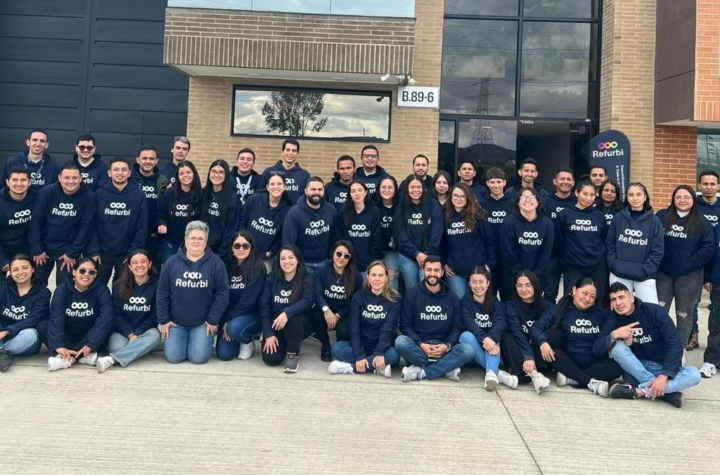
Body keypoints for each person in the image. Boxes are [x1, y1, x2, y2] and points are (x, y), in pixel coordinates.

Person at [599, 282, 702, 408]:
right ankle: (664, 393)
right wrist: (614, 334)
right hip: (636, 370)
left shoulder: (654, 311)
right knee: (617, 348)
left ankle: (640, 391)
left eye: (621, 297)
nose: (618, 303)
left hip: (662, 368)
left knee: (694, 374)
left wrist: (663, 376)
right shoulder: (612, 318)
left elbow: (675, 344)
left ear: (631, 298)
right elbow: (596, 348)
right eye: (613, 299)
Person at [530, 278, 622, 397]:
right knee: (551, 351)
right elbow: (536, 328)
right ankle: (589, 382)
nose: (587, 299)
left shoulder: (601, 314)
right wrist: (543, 342)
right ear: (574, 290)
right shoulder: (559, 309)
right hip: (567, 360)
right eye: (584, 293)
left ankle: (571, 377)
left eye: (592, 297)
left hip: (593, 362)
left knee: (616, 368)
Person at [157, 221, 229, 364]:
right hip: (176, 323)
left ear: (206, 241)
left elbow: (222, 293)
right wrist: (164, 320)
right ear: (185, 240)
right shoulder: (171, 262)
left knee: (199, 358)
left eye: (200, 238)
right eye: (193, 238)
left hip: (203, 323)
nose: (196, 241)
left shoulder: (216, 263)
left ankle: (197, 342)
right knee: (173, 357)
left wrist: (213, 320)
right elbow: (162, 293)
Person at [395, 256, 475, 382]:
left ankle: (423, 372)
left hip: (444, 349)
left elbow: (457, 327)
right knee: (400, 341)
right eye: (429, 270)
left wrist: (447, 346)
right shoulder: (412, 294)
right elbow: (405, 325)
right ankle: (446, 369)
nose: (432, 274)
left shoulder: (452, 297)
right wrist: (421, 344)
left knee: (468, 350)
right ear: (423, 271)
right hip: (419, 348)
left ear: (442, 272)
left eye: (436, 270)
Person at [655, 185, 714, 346]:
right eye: (678, 197)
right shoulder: (662, 216)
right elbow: (652, 239)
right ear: (673, 199)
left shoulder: (702, 222)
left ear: (693, 199)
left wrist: (690, 262)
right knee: (659, 312)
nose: (682, 200)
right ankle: (658, 347)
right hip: (663, 274)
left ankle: (679, 350)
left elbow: (708, 248)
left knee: (684, 314)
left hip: (690, 275)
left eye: (686, 197)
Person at [329, 260, 401, 377]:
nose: (377, 279)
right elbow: (354, 326)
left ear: (386, 277)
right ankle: (378, 367)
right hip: (362, 344)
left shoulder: (395, 299)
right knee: (336, 348)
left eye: (381, 275)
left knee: (394, 355)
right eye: (373, 275)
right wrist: (359, 355)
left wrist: (379, 352)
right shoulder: (359, 297)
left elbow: (388, 328)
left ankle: (350, 368)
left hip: (383, 346)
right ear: (367, 277)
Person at [40, 258, 114, 371]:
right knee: (43, 326)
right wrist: (58, 345)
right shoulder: (62, 289)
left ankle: (67, 359)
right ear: (74, 272)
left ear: (95, 275)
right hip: (68, 335)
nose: (86, 274)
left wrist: (91, 344)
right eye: (82, 270)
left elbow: (106, 317)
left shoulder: (102, 290)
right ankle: (83, 356)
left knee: (108, 325)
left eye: (91, 272)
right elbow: (56, 318)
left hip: (90, 335)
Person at [30, 163, 96, 286]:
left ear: (81, 179)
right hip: (44, 248)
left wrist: (73, 253)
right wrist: (37, 249)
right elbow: (36, 222)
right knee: (36, 286)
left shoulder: (89, 196)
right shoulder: (46, 192)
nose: (70, 181)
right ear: (59, 178)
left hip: (69, 249)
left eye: (75, 178)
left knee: (65, 288)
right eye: (66, 177)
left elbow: (86, 227)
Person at [96, 249, 162, 373]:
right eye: (135, 262)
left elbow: (155, 315)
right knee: (117, 348)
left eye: (143, 261)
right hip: (122, 331)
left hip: (146, 331)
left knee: (155, 336)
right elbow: (115, 314)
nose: (139, 265)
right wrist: (130, 334)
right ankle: (142, 348)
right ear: (130, 266)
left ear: (149, 264)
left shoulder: (157, 285)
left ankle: (111, 360)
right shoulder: (119, 285)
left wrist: (138, 333)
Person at [89, 157, 148, 285]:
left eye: (123, 170)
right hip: (102, 254)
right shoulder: (99, 194)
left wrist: (133, 253)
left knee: (122, 290)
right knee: (96, 288)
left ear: (129, 173)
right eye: (116, 170)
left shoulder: (138, 195)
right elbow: (91, 225)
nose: (120, 173)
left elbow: (141, 227)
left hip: (126, 254)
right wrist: (94, 250)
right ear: (109, 173)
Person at [458, 267, 517, 390]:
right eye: (474, 282)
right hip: (475, 348)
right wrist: (485, 339)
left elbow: (500, 323)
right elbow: (470, 324)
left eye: (481, 281)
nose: (478, 286)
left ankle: (491, 374)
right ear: (469, 284)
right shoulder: (464, 303)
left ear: (488, 283)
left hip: (492, 350)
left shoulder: (496, 303)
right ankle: (496, 373)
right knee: (465, 336)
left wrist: (492, 338)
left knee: (496, 339)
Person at [605, 182, 664, 304]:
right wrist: (613, 264)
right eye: (631, 195)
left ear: (645, 197)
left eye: (638, 194)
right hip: (619, 272)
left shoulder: (655, 221)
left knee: (649, 309)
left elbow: (658, 250)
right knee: (620, 308)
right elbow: (610, 244)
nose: (635, 198)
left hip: (644, 275)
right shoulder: (618, 218)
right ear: (626, 197)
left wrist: (646, 270)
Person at [260, 245, 314, 372]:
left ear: (298, 260)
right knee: (271, 359)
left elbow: (307, 301)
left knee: (294, 321)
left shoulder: (306, 278)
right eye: (283, 258)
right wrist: (268, 334)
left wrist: (287, 312)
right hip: (276, 322)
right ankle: (286, 342)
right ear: (278, 261)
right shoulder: (271, 278)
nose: (286, 261)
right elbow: (264, 307)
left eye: (291, 257)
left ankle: (292, 355)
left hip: (298, 322)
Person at [216, 231, 266, 361]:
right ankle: (237, 336)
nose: (241, 249)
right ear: (232, 248)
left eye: (245, 245)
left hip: (252, 315)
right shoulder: (226, 266)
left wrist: (228, 321)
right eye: (237, 245)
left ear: (251, 247)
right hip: (232, 316)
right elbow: (222, 295)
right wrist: (223, 320)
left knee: (233, 328)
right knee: (224, 354)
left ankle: (247, 341)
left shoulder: (257, 267)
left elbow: (248, 300)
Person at [501, 271, 553, 394]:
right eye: (519, 285)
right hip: (518, 349)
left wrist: (541, 341)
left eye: (528, 285)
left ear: (535, 286)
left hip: (537, 351)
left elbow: (543, 329)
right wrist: (528, 356)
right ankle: (533, 374)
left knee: (555, 334)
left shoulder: (547, 306)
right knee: (506, 337)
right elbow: (517, 332)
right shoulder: (511, 306)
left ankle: (525, 370)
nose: (523, 289)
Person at [556, 179, 608, 302]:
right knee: (571, 300)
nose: (588, 198)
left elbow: (604, 239)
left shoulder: (600, 216)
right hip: (573, 266)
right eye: (585, 194)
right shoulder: (564, 214)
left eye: (592, 195)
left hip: (597, 266)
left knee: (596, 300)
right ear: (576, 193)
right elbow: (559, 241)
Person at [442, 183, 495, 299]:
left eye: (462, 196)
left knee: (477, 303)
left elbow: (490, 241)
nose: (458, 199)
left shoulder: (478, 215)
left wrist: (490, 264)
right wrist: (444, 263)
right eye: (455, 195)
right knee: (459, 302)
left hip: (477, 270)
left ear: (468, 197)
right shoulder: (445, 216)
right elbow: (441, 243)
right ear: (450, 197)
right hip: (455, 271)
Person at [501, 188, 554, 300]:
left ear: (538, 202)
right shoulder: (509, 221)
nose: (527, 200)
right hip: (512, 274)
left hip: (538, 275)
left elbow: (546, 251)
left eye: (531, 197)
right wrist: (520, 275)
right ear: (518, 202)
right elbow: (508, 250)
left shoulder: (547, 223)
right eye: (524, 197)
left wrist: (534, 276)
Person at [312, 241, 362, 362]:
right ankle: (325, 343)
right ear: (333, 253)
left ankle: (340, 345)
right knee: (315, 314)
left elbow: (356, 302)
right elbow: (317, 294)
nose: (341, 258)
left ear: (350, 258)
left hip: (345, 311)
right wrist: (326, 310)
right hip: (325, 308)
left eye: (346, 256)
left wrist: (338, 315)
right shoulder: (321, 272)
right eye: (339, 254)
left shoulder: (356, 276)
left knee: (344, 331)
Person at [0, 255, 51, 371]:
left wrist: (7, 331)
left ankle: (2, 349)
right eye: (15, 269)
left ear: (32, 269)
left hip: (22, 337)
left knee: (31, 334)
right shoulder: (2, 287)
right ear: (10, 272)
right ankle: (2, 352)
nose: (20, 272)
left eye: (25, 268)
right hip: (1, 332)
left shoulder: (43, 293)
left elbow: (34, 319)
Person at [393, 174, 444, 290]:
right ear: (407, 189)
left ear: (423, 188)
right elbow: (401, 235)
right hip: (408, 256)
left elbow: (437, 232)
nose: (416, 190)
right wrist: (416, 253)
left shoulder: (433, 205)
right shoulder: (400, 208)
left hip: (430, 255)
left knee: (428, 289)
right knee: (412, 290)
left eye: (419, 187)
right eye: (412, 187)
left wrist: (426, 254)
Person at [282, 176, 339, 274]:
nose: (316, 192)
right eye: (313, 189)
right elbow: (288, 243)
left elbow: (335, 237)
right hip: (303, 264)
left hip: (325, 262)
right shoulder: (294, 213)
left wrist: (331, 257)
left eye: (320, 189)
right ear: (305, 191)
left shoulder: (331, 210)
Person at [240, 173, 292, 270]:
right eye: (272, 184)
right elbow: (242, 223)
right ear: (267, 187)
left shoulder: (287, 211)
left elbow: (282, 236)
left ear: (285, 187)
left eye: (279, 184)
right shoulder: (254, 199)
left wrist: (271, 252)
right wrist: (242, 245)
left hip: (265, 258)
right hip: (244, 252)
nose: (275, 187)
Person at [693, 170, 720, 350]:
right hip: (697, 260)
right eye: (705, 184)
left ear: (718, 186)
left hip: (716, 261)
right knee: (692, 301)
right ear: (699, 186)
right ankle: (693, 334)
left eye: (712, 184)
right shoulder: (693, 206)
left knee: (716, 305)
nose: (709, 187)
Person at [157, 161, 203, 263]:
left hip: (193, 242)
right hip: (170, 241)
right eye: (181, 173)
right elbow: (160, 214)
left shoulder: (201, 194)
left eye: (188, 172)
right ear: (177, 176)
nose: (185, 175)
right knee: (169, 268)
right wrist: (162, 224)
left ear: (194, 174)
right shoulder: (169, 193)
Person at [480, 167, 515, 300]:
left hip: (507, 258)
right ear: (487, 183)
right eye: (492, 182)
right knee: (489, 297)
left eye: (499, 182)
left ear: (504, 183)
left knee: (508, 296)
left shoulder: (512, 204)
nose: (496, 185)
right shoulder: (481, 204)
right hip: (488, 257)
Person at [542, 168, 576, 303]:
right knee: (550, 292)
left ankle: (567, 316)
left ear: (573, 182)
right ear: (555, 181)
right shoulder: (545, 202)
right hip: (552, 255)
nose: (565, 182)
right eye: (562, 179)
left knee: (573, 293)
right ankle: (549, 316)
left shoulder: (578, 202)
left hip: (573, 255)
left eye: (569, 179)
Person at [201, 159, 240, 261]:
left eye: (221, 172)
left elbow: (231, 229)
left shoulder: (233, 198)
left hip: (221, 252)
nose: (216, 175)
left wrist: (221, 254)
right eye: (214, 171)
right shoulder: (203, 193)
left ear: (226, 175)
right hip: (201, 248)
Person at [340, 181, 382, 275]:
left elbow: (376, 239)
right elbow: (341, 239)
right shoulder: (343, 212)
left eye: (360, 190)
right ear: (350, 194)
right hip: (349, 264)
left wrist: (372, 261)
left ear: (365, 192)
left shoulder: (375, 212)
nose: (357, 194)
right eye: (353, 191)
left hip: (368, 263)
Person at [0, 167, 36, 272]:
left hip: (28, 250)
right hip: (4, 249)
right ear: (7, 182)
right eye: (15, 180)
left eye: (23, 180)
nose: (19, 184)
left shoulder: (37, 197)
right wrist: (2, 260)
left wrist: (37, 251)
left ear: (30, 182)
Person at [133, 145, 165, 260]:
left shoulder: (163, 182)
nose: (148, 161)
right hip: (132, 235)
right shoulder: (129, 180)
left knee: (153, 268)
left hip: (154, 236)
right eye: (144, 158)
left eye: (151, 159)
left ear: (156, 161)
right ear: (138, 160)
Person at [261, 138, 310, 203]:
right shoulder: (269, 172)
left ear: (297, 154)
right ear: (282, 152)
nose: (290, 153)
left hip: (297, 209)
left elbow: (308, 198)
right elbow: (261, 196)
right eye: (287, 150)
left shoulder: (304, 175)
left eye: (294, 151)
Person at [701, 223, 720, 378]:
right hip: (718, 282)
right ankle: (711, 362)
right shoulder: (717, 228)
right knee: (715, 325)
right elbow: (710, 254)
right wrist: (707, 277)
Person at [375, 175, 400, 290]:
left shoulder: (400, 207)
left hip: (393, 251)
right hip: (375, 251)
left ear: (395, 189)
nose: (387, 190)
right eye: (383, 187)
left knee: (391, 277)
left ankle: (393, 300)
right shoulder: (372, 207)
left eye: (390, 187)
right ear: (378, 189)